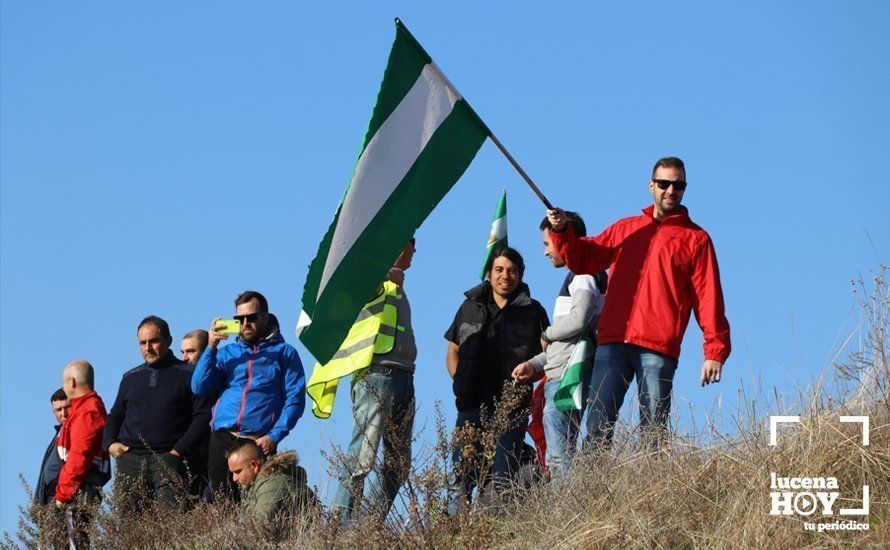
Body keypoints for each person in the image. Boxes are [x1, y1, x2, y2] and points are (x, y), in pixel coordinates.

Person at [546, 156, 731, 448]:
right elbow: (584, 258)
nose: (671, 191)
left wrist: (714, 350)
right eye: (664, 184)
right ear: (651, 185)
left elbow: (708, 298)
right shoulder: (627, 228)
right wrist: (561, 231)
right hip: (613, 341)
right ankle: (595, 493)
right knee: (596, 428)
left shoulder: (697, 239)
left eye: (678, 185)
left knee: (653, 432)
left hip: (658, 346)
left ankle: (651, 491)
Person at [444, 247, 550, 513]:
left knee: (504, 479)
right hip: (471, 407)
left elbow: (548, 356)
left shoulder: (534, 311)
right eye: (499, 270)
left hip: (511, 410)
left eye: (512, 270)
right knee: (462, 477)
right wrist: (461, 382)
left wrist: (531, 374)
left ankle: (496, 530)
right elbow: (452, 352)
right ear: (489, 274)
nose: (506, 276)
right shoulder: (469, 307)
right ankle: (456, 533)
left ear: (521, 275)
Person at [512, 212, 607, 477]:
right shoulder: (583, 275)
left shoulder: (584, 274)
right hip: (564, 370)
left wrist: (549, 333)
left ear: (566, 240)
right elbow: (569, 339)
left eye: (547, 243)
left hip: (568, 376)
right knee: (558, 451)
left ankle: (563, 512)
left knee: (559, 454)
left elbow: (578, 321)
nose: (545, 252)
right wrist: (534, 364)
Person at [332, 240, 417, 525]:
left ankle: (369, 527)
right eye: (410, 244)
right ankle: (340, 530)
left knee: (398, 465)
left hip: (403, 376)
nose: (414, 251)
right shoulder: (375, 279)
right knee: (361, 459)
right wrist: (383, 273)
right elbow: (352, 282)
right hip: (377, 377)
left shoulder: (397, 285)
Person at [192, 291, 307, 502]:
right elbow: (199, 385)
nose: (245, 323)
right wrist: (210, 346)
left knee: (260, 503)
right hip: (222, 438)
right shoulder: (227, 353)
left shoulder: (285, 353)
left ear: (265, 317)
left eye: (251, 318)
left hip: (259, 441)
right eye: (239, 319)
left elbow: (296, 400)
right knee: (222, 506)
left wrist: (274, 436)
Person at [103, 316, 212, 512]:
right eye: (142, 343)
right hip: (130, 461)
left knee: (170, 526)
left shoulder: (189, 374)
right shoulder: (130, 378)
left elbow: (202, 416)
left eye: (153, 341)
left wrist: (178, 451)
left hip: (169, 459)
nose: (148, 347)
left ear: (168, 341)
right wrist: (111, 444)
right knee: (129, 530)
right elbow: (115, 415)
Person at [54, 360, 111, 548]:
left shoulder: (88, 411)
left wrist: (62, 494)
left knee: (74, 544)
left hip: (77, 492)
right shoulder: (83, 409)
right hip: (76, 490)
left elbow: (80, 455)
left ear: (72, 382)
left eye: (63, 382)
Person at [226, 440, 317, 530]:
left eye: (237, 472)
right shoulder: (259, 486)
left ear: (254, 465)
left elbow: (257, 528)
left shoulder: (274, 485)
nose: (234, 478)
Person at [34, 388, 71, 507]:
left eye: (67, 407)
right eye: (59, 409)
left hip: (65, 499)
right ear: (53, 412)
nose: (63, 413)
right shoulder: (59, 434)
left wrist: (62, 496)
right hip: (51, 498)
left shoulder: (75, 431)